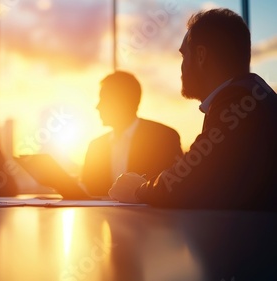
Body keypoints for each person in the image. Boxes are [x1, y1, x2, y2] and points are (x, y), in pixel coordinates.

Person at [109, 8, 277, 210]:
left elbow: (191, 178)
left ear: (200, 56)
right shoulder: (254, 94)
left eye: (183, 55)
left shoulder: (236, 101)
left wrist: (139, 189)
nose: (181, 68)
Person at [81, 71, 183, 196]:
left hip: (150, 215)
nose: (98, 106)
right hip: (103, 216)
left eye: (104, 99)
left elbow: (176, 187)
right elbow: (87, 191)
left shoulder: (164, 138)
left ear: (123, 101)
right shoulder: (96, 146)